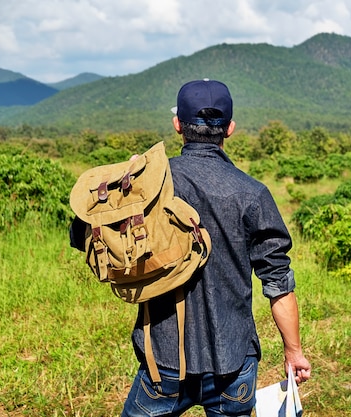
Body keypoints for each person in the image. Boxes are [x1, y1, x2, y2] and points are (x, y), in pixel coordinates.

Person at [116, 79, 311, 416]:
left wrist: (125, 183)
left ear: (177, 125)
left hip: (163, 359)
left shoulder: (150, 185)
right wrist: (293, 351)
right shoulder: (253, 193)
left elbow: (82, 235)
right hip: (233, 362)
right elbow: (278, 283)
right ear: (230, 129)